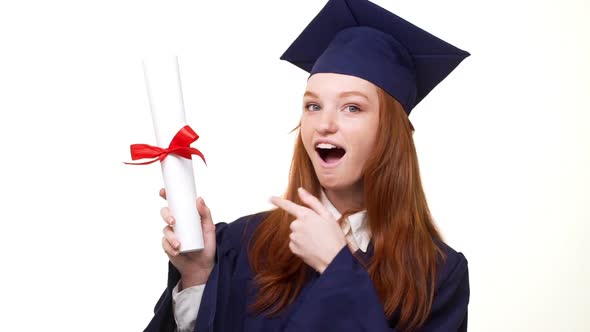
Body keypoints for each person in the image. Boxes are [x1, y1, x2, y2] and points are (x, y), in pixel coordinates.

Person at [145, 0, 470, 331]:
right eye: (313, 105)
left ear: (392, 132)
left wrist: (337, 266)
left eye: (352, 108)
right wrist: (198, 275)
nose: (324, 124)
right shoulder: (244, 243)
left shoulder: (437, 274)